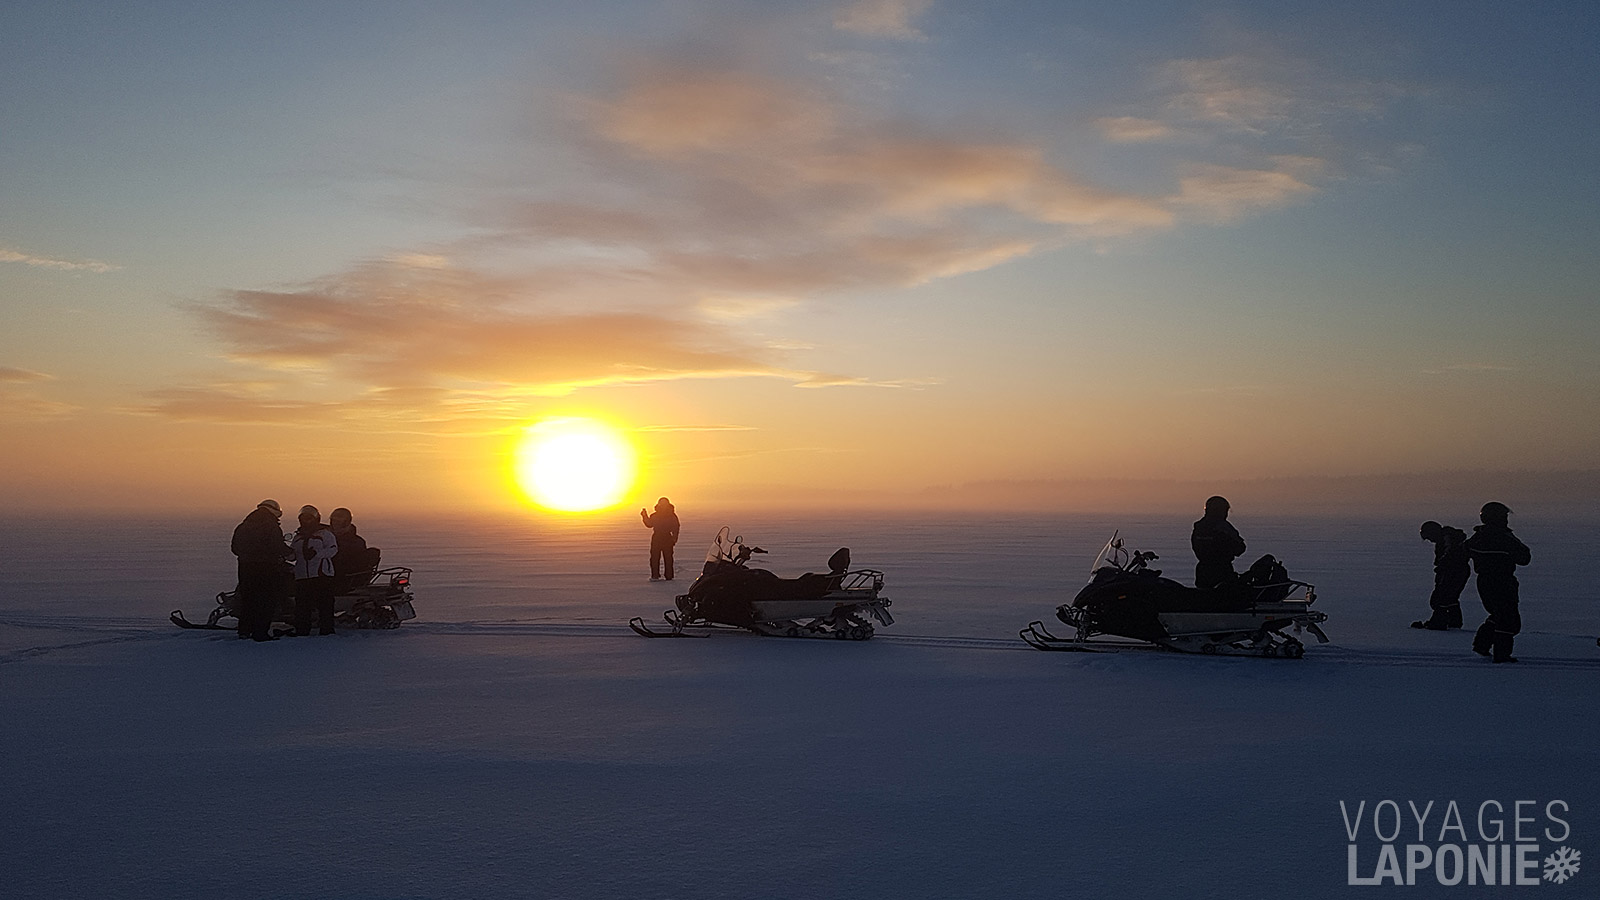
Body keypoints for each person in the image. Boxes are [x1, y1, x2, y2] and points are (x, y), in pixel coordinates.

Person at [1465, 501, 1531, 663]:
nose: (1506, 520)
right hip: (1501, 581)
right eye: (1504, 517)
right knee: (1508, 619)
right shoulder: (1503, 537)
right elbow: (1524, 557)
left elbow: (1461, 552)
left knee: (1499, 614)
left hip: (1485, 582)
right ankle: (1501, 654)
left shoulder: (1478, 537)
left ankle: (1482, 644)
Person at [231, 499, 289, 641]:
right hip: (266, 568)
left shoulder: (243, 526)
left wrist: (248, 556)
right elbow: (277, 546)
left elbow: (235, 548)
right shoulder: (271, 526)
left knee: (248, 599)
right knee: (266, 600)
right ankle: (260, 632)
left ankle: (244, 630)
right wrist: (290, 553)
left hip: (245, 567)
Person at [289, 505, 339, 636]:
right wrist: (286, 553)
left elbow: (333, 549)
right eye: (303, 518)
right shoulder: (298, 537)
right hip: (302, 575)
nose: (306, 521)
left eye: (309, 518)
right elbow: (294, 555)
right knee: (302, 606)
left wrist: (317, 553)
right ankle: (302, 630)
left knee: (325, 604)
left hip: (321, 574)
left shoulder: (325, 534)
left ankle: (327, 630)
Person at [1411, 520, 1469, 630]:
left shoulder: (1447, 538)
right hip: (1454, 570)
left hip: (1454, 571)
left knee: (1441, 597)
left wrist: (1443, 564)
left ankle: (1439, 622)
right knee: (1450, 597)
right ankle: (1453, 622)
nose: (1430, 540)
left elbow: (1449, 553)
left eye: (1429, 537)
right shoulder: (1444, 539)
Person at [1191, 495, 1246, 591]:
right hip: (1222, 572)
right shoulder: (1223, 528)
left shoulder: (1199, 528)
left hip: (1203, 572)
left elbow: (1196, 547)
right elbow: (1240, 548)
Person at [328, 507, 372, 594]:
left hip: (341, 578)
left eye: (339, 522)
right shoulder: (327, 538)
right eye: (334, 522)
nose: (335, 525)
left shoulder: (355, 542)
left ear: (346, 523)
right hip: (333, 575)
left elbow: (344, 562)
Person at [640, 497, 680, 581]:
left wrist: (674, 538)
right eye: (661, 503)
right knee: (654, 557)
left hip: (667, 538)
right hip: (657, 537)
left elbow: (676, 527)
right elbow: (649, 524)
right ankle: (655, 576)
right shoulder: (655, 515)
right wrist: (644, 516)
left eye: (664, 504)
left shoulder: (672, 516)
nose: (663, 505)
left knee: (668, 558)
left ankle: (669, 576)